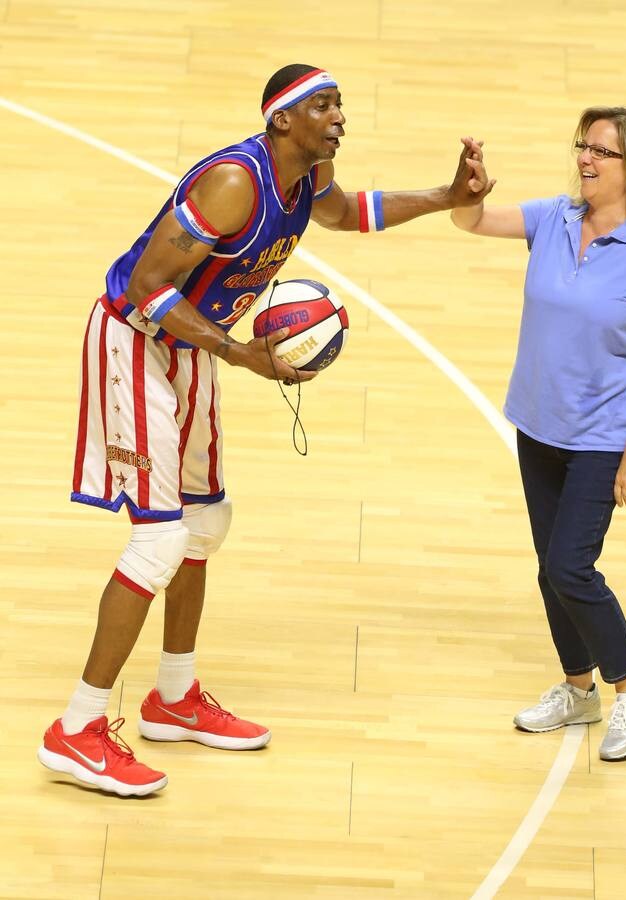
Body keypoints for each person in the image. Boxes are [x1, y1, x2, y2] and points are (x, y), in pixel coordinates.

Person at [38, 64, 494, 796]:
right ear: (282, 120)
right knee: (158, 538)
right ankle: (78, 728)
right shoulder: (233, 185)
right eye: (322, 105)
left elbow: (347, 213)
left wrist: (446, 198)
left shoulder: (308, 177)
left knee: (206, 523)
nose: (339, 115)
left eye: (340, 103)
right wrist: (239, 353)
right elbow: (146, 288)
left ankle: (173, 699)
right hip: (134, 340)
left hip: (192, 345)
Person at [452, 107, 626, 760]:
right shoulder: (553, 220)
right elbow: (471, 221)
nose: (584, 158)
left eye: (601, 151)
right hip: (539, 422)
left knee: (569, 566)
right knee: (548, 571)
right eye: (583, 145)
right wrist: (465, 189)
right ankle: (578, 688)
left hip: (602, 434)